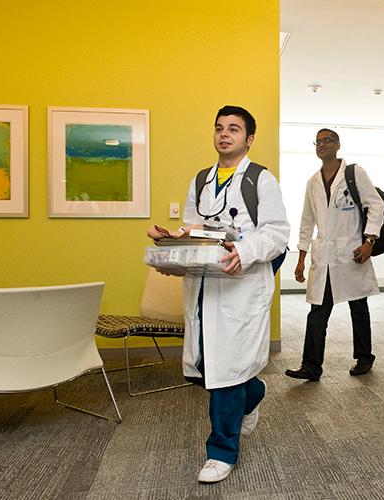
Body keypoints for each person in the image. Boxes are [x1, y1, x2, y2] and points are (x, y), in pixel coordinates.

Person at [147, 105, 289, 484]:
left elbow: (277, 234)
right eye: (219, 128)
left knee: (225, 374)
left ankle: (221, 452)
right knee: (205, 369)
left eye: (234, 129)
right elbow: (196, 229)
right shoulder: (201, 180)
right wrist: (172, 245)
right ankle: (254, 391)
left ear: (249, 138)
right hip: (205, 285)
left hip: (241, 287)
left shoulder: (261, 180)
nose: (225, 134)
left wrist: (243, 252)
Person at [285, 129, 384, 382]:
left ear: (338, 144)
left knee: (358, 307)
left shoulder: (354, 173)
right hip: (325, 256)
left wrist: (369, 241)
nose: (322, 145)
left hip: (352, 251)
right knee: (317, 311)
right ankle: (311, 366)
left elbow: (376, 205)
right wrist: (301, 257)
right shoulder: (312, 182)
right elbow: (307, 220)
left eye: (327, 140)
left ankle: (364, 358)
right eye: (317, 142)